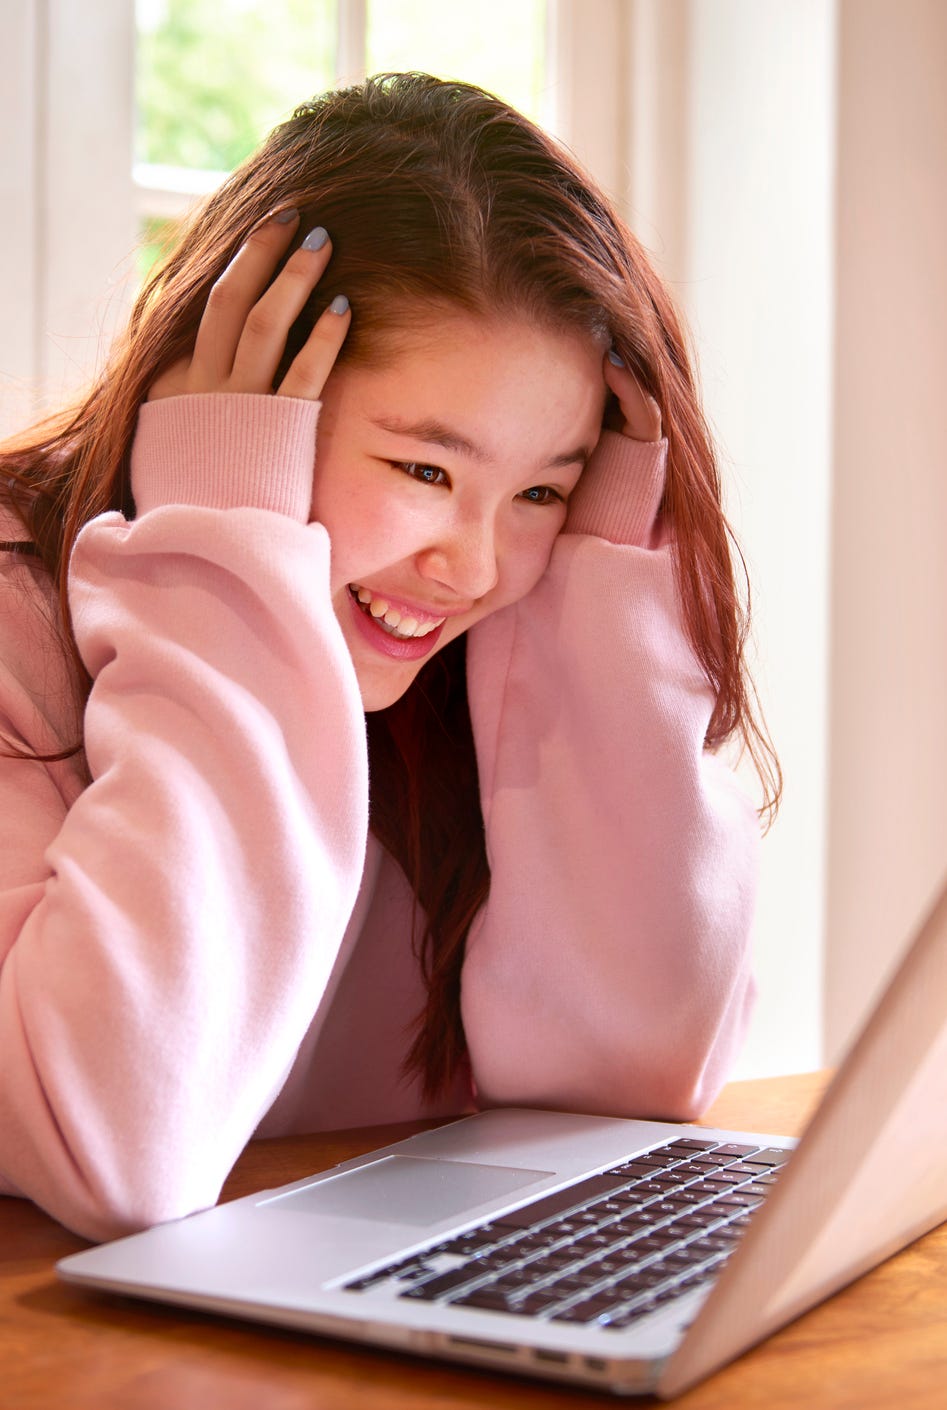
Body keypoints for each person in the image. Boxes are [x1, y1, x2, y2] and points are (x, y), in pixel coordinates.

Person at [0, 73, 778, 1242]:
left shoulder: (495, 640)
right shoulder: (21, 619)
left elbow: (622, 1088)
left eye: (537, 489)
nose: (467, 567)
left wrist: (593, 605)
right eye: (422, 471)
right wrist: (220, 541)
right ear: (241, 401)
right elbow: (114, 1146)